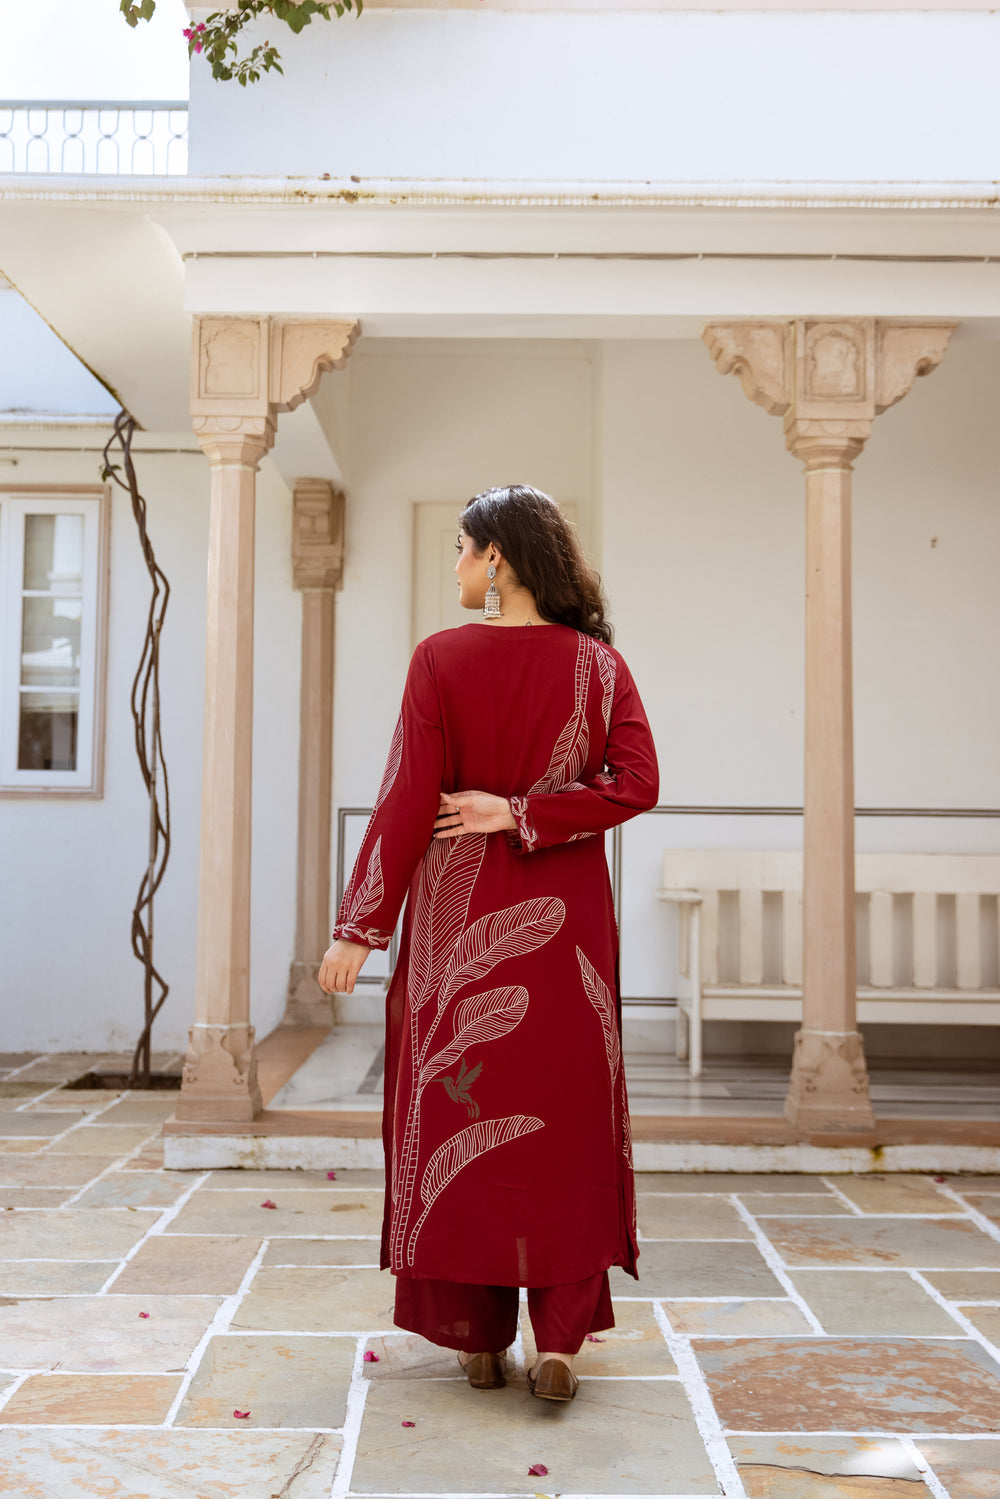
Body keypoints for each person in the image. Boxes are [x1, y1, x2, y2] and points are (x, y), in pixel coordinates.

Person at [319, 484, 658, 1402]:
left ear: (497, 556)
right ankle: (559, 1344)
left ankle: (477, 1337)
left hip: (456, 925)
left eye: (463, 549)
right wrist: (530, 813)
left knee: (457, 1117)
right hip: (566, 931)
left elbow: (406, 798)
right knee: (565, 1120)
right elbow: (636, 784)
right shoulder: (599, 666)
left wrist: (359, 928)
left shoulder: (440, 658)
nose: (458, 567)